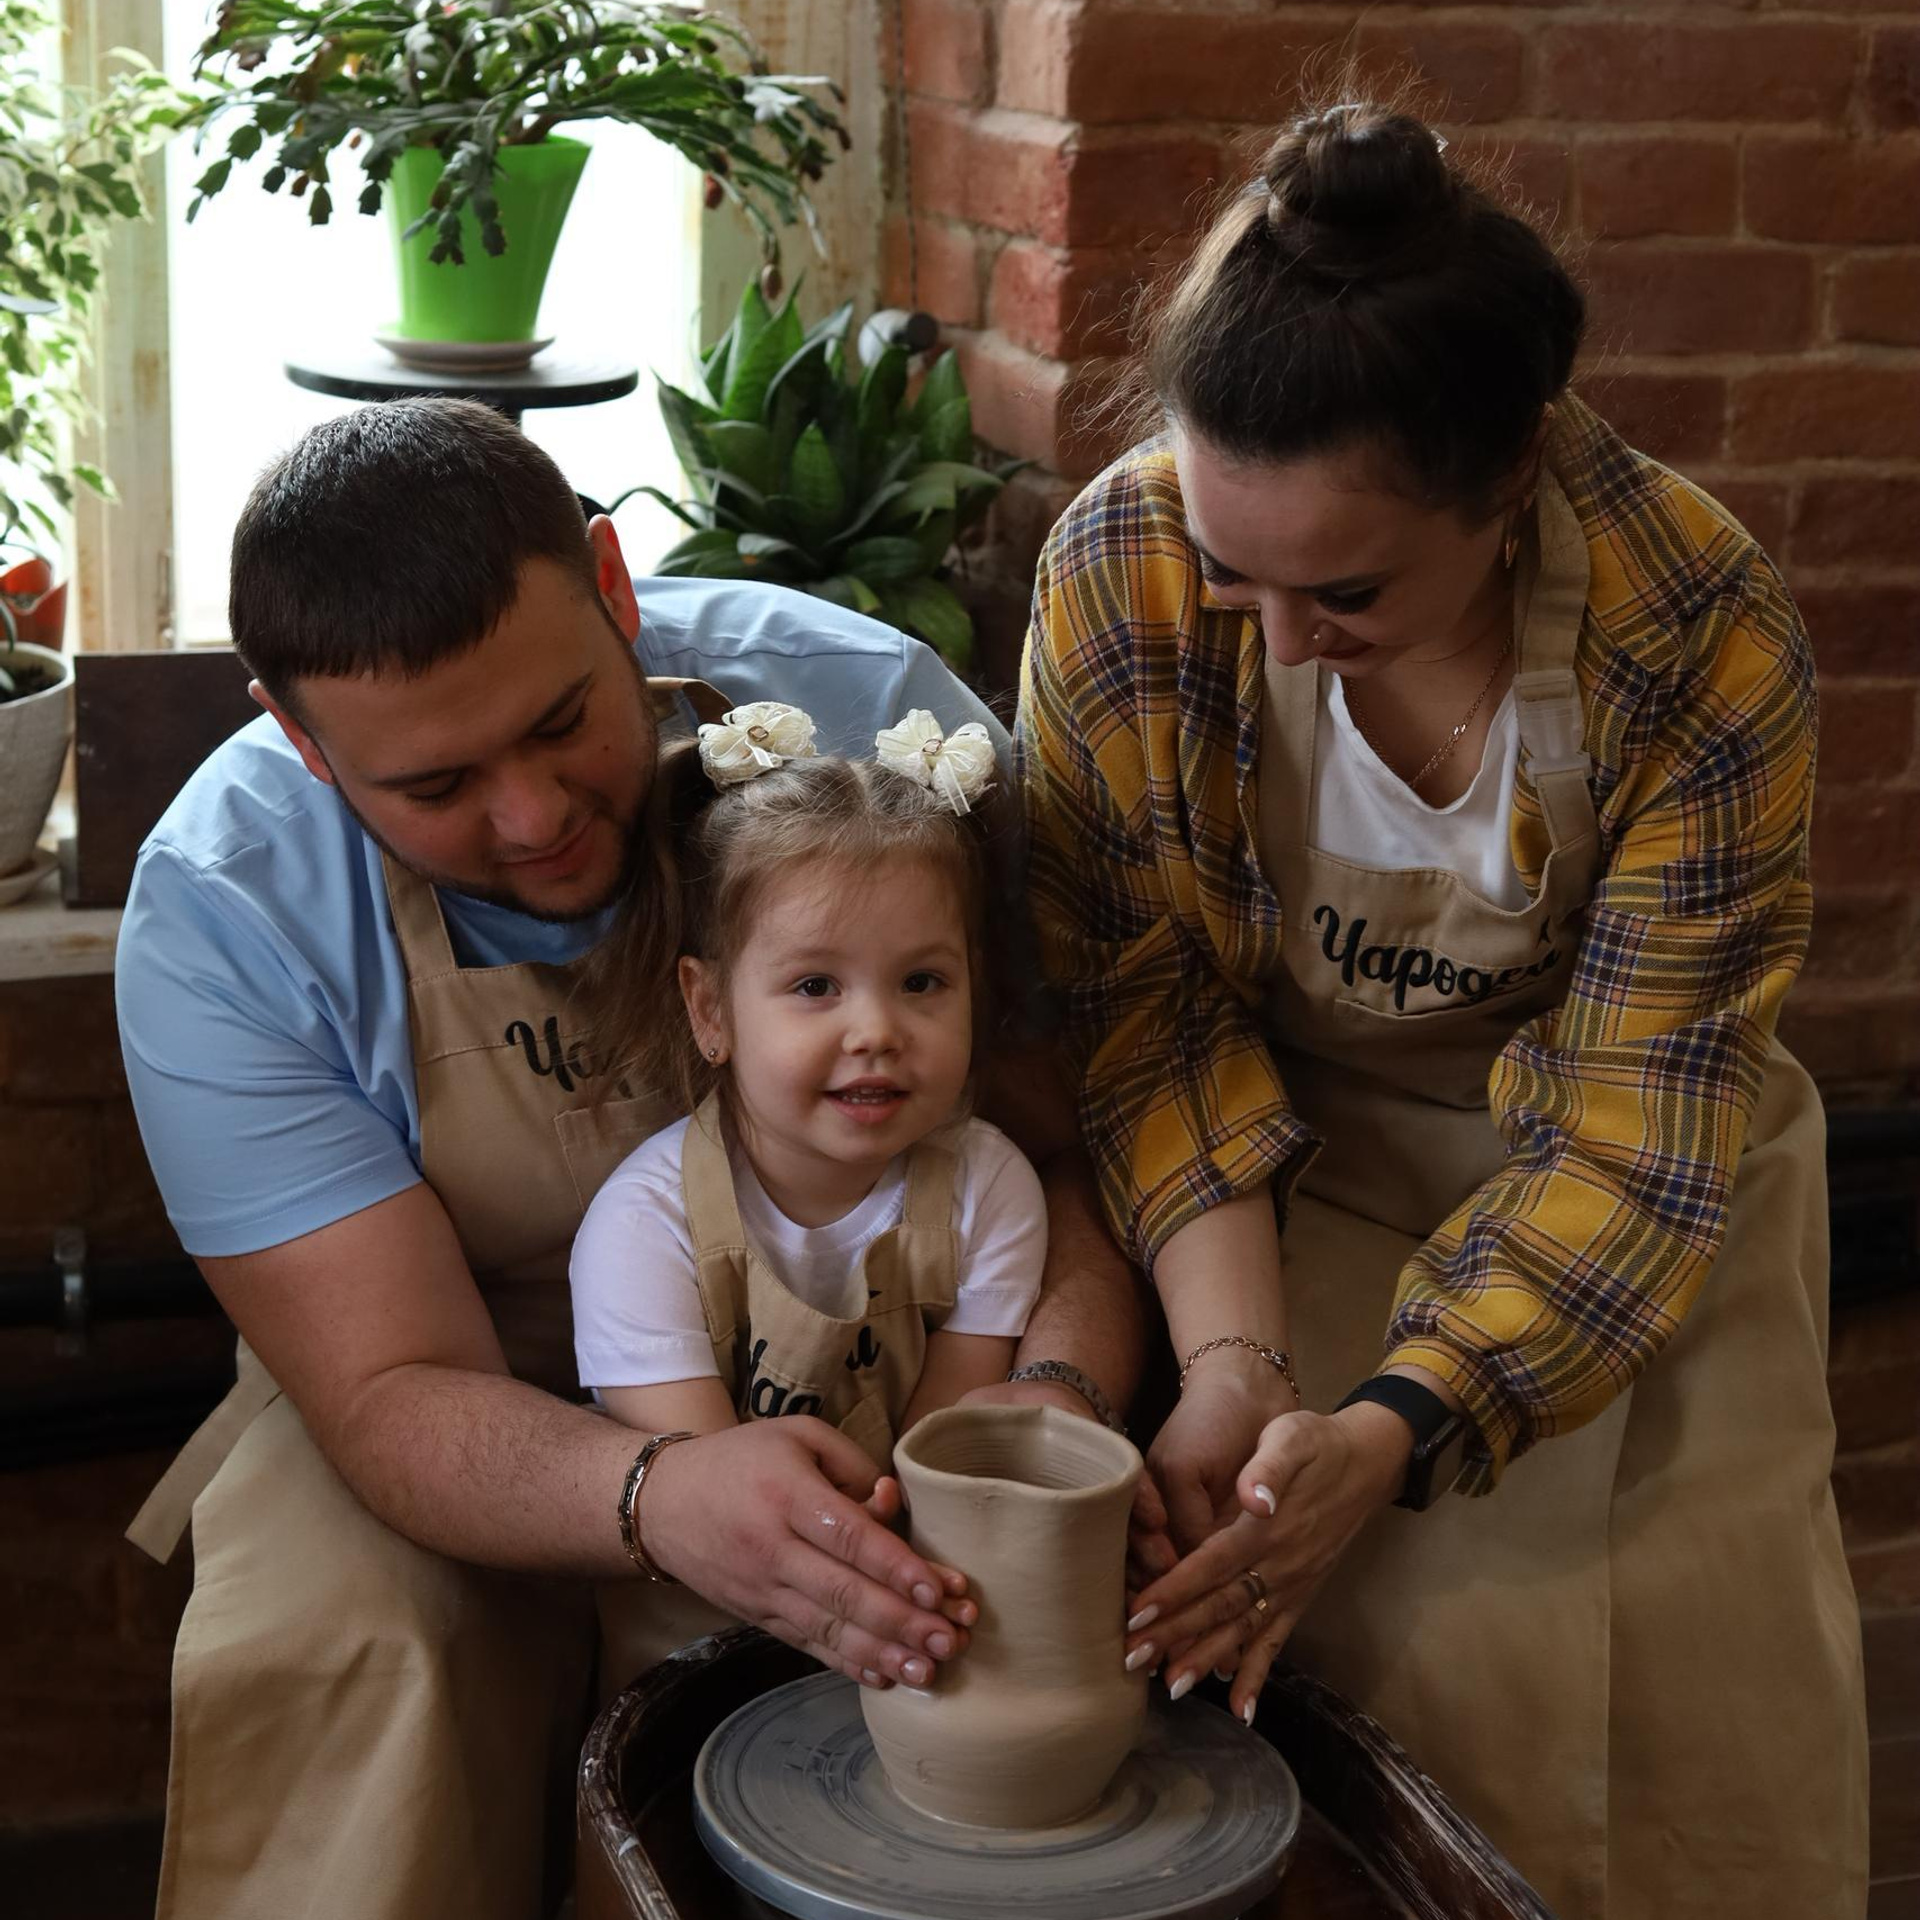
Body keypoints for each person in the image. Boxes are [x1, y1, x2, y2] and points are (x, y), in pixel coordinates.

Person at [115, 399, 1138, 1920]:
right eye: (437, 789)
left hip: (918, 1348)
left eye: (559, 723)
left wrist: (1043, 1408)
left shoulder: (877, 725)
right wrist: (659, 1489)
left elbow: (1073, 1163)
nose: (533, 817)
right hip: (461, 1372)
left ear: (611, 582)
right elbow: (389, 1387)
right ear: (302, 740)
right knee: (353, 1645)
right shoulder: (225, 909)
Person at [1018, 100, 1868, 1918]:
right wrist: (1241, 1369)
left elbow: (1640, 1121)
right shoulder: (1121, 568)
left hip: (1648, 1165)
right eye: (1236, 572)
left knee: (1694, 1714)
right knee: (1385, 1668)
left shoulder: (1697, 628)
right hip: (1283, 1156)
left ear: (1511, 480)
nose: (1276, 638)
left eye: (1347, 590)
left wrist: (1399, 1421)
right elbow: (1146, 1014)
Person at [571, 712, 1047, 1674]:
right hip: (700, 1630)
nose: (876, 1031)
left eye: (923, 982)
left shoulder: (989, 1189)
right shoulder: (644, 1227)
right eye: (816, 986)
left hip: (921, 1580)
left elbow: (940, 1459)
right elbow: (716, 1499)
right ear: (710, 1009)